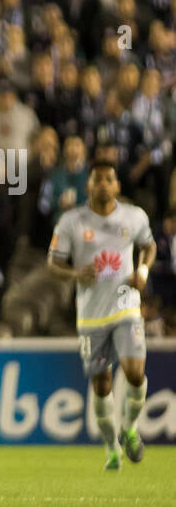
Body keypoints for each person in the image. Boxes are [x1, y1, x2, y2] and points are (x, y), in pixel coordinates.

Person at [48, 160, 157, 470]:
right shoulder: (71, 222)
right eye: (98, 179)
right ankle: (111, 448)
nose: (104, 184)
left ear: (118, 185)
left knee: (135, 372)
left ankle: (130, 429)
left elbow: (148, 246)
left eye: (110, 179)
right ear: (88, 186)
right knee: (102, 385)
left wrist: (143, 270)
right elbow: (52, 263)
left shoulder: (134, 217)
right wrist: (74, 274)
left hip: (125, 307)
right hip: (91, 316)